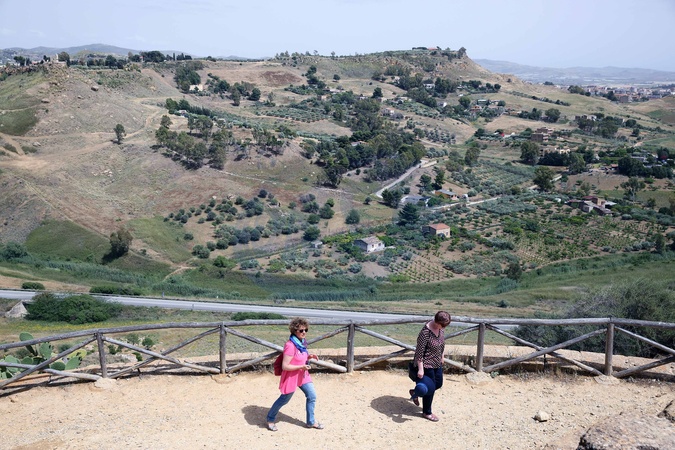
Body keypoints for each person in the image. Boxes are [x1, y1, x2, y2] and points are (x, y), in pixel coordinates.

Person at [266, 317, 323, 431]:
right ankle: (270, 418)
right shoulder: (290, 345)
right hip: (291, 376)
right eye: (301, 330)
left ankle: (311, 422)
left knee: (312, 396)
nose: (304, 332)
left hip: (303, 375)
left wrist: (309, 357)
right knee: (284, 399)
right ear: (294, 331)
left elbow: (299, 357)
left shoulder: (302, 343)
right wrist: (301, 367)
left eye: (306, 330)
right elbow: (285, 366)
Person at [408, 311, 451, 422]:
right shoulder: (425, 333)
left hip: (437, 362)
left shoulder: (440, 329)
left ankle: (416, 392)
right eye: (443, 325)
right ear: (437, 322)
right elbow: (419, 352)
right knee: (431, 388)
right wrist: (421, 369)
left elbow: (442, 343)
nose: (444, 328)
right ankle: (427, 412)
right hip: (426, 364)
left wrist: (442, 356)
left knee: (438, 384)